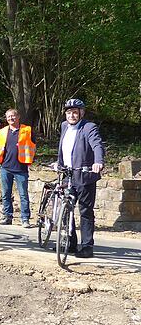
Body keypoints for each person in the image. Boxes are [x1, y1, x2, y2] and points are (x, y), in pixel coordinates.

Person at [57, 98, 105, 258]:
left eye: (75, 112)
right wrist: (59, 163)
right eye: (69, 112)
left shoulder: (89, 127)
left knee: (85, 211)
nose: (71, 115)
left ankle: (86, 246)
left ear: (81, 113)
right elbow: (64, 149)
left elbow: (97, 144)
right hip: (68, 174)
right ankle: (70, 244)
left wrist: (98, 161)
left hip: (84, 175)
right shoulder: (64, 126)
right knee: (66, 208)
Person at [0, 108, 35, 228]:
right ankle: (7, 216)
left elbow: (33, 146)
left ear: (18, 117)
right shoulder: (2, 132)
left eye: (13, 116)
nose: (11, 118)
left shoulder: (27, 130)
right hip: (5, 167)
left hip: (21, 167)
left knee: (23, 195)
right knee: (5, 194)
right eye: (8, 117)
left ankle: (25, 219)